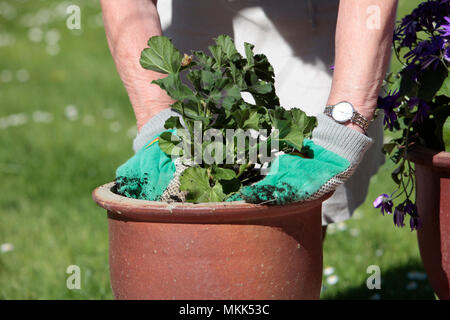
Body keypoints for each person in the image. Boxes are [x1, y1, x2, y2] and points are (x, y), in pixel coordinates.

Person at [100, 0, 398, 234]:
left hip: (314, 10)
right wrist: (155, 120)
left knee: (293, 210)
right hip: (201, 7)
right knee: (186, 209)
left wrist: (345, 122)